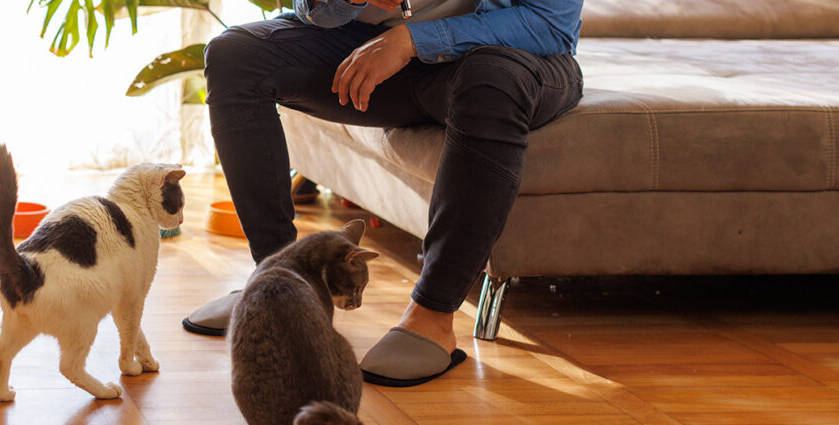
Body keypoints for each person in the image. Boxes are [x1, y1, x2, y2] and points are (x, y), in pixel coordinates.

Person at [182, 0, 584, 387]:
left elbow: (551, 24)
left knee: (490, 83)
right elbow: (309, 7)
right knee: (234, 56)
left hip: (503, 57)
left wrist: (411, 40)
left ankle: (432, 316)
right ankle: (278, 283)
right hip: (378, 52)